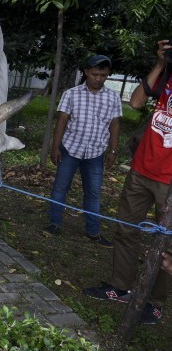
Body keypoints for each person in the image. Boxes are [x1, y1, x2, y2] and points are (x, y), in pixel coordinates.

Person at [85, 40, 172, 325]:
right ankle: (119, 287)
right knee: (125, 229)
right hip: (141, 169)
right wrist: (160, 64)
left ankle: (155, 303)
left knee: (166, 243)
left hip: (169, 180)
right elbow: (136, 102)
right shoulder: (167, 76)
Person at [43, 54, 121, 246]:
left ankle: (93, 231)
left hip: (96, 152)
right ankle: (55, 222)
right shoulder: (71, 94)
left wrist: (112, 151)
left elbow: (115, 125)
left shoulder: (112, 97)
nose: (98, 79)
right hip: (70, 149)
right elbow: (61, 121)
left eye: (103, 75)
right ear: (86, 72)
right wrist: (55, 147)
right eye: (95, 74)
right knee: (61, 187)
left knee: (93, 193)